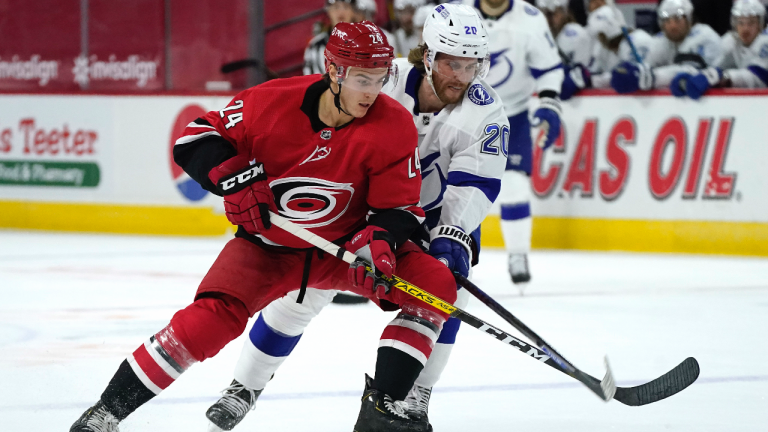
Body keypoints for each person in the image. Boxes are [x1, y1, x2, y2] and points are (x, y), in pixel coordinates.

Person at [69, 21, 459, 432]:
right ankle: (105, 413)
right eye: (362, 79)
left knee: (435, 285)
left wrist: (378, 241)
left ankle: (383, 407)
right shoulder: (270, 102)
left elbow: (397, 206)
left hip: (344, 249)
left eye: (380, 80)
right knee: (207, 322)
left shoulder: (393, 123)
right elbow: (193, 139)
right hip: (266, 248)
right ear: (334, 71)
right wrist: (236, 179)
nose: (371, 92)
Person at [203, 4, 508, 431]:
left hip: (430, 220)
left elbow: (475, 183)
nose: (462, 75)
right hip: (359, 212)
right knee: (301, 295)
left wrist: (451, 238)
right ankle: (244, 387)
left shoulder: (486, 111)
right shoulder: (382, 79)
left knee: (446, 297)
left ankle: (414, 394)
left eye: (471, 64)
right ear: (429, 55)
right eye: (453, 63)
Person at [462, 0, 564, 288]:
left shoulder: (530, 18)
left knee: (515, 185)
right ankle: (455, 259)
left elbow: (550, 68)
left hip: (512, 114)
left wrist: (549, 101)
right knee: (455, 191)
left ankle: (518, 254)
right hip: (462, 113)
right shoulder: (457, 12)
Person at [609, 0, 723, 94]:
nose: (672, 25)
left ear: (689, 19)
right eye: (666, 20)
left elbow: (689, 71)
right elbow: (646, 68)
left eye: (678, 19)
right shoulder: (660, 41)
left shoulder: (703, 36)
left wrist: (649, 76)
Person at [671, 0, 768, 99]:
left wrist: (724, 77)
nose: (745, 28)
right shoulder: (732, 41)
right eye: (740, 22)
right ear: (733, 23)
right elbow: (716, 68)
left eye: (751, 23)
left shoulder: (765, 41)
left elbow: (760, 76)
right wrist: (693, 76)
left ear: (761, 24)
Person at [536, 0, 593, 99]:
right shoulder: (536, 37)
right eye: (545, 13)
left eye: (553, 14)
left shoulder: (576, 34)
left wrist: (575, 77)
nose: (549, 20)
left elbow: (585, 71)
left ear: (564, 12)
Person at [304, 0, 358, 75]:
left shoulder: (365, 43)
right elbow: (310, 77)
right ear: (328, 11)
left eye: (346, 7)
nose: (341, 11)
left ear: (353, 12)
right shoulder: (316, 45)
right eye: (336, 7)